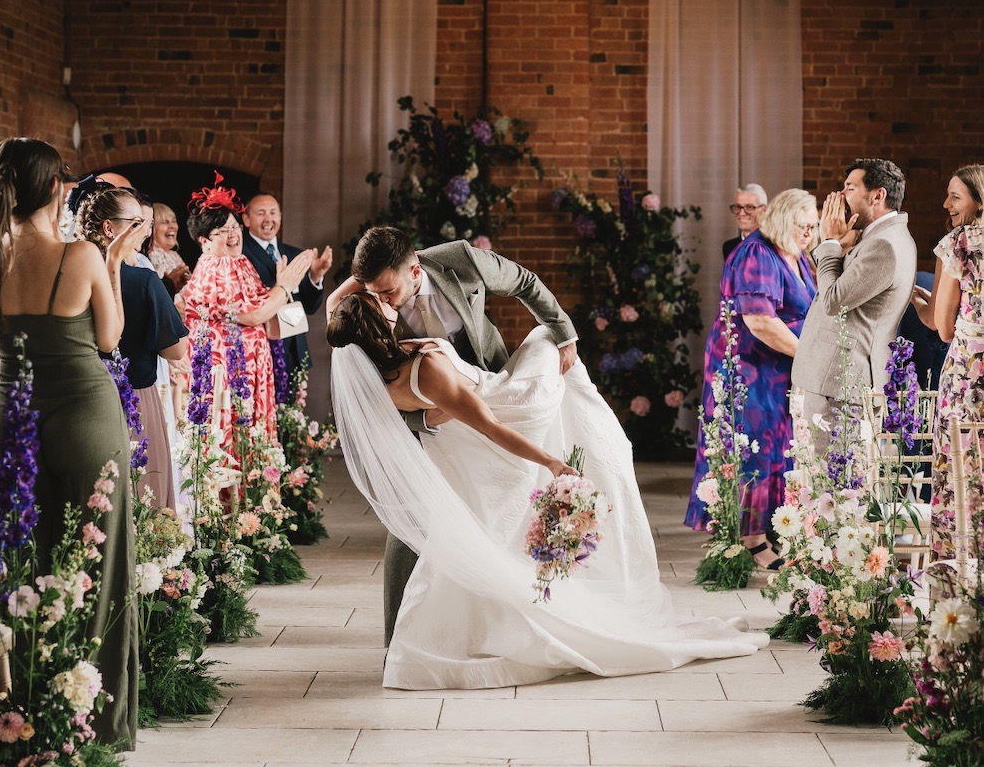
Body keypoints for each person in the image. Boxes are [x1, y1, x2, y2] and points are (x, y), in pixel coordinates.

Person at [327, 292, 767, 689]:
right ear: (377, 325)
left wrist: (431, 414)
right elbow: (491, 426)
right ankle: (598, 443)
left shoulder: (373, 373)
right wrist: (550, 462)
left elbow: (340, 307)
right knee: (546, 336)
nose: (385, 299)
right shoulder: (427, 368)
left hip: (454, 444)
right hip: (509, 408)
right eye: (378, 303)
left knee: (481, 531)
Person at [327, 225, 579, 646]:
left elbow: (525, 282)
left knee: (496, 503)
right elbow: (355, 350)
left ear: (414, 270)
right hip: (428, 414)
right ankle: (397, 641)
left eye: (388, 292)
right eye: (373, 293)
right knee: (410, 521)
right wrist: (426, 419)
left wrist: (564, 334)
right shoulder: (366, 308)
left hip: (484, 386)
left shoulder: (459, 260)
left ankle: (494, 618)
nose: (382, 301)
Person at [0, 137, 143, 749]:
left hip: (14, 420)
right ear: (58, 190)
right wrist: (112, 264)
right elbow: (109, 339)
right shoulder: (80, 255)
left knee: (23, 562)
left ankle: (22, 712)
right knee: (97, 564)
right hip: (85, 415)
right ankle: (95, 723)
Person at [685, 189, 818, 566]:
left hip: (778, 369)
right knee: (752, 450)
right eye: (803, 225)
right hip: (748, 370)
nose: (809, 233)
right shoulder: (757, 253)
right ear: (782, 220)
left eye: (813, 227)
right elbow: (760, 321)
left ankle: (769, 529)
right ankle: (751, 539)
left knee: (777, 448)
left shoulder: (795, 252)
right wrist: (810, 358)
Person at [75, 186, 189, 511]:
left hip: (82, 399)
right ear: (109, 228)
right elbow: (176, 351)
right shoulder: (143, 281)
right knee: (143, 497)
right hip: (136, 399)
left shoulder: (72, 277)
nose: (145, 231)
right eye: (136, 223)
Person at [179, 174, 314, 445]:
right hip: (228, 370)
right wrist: (284, 286)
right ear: (204, 240)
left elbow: (266, 313)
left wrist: (284, 291)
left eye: (235, 227)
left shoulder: (239, 261)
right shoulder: (217, 265)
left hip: (250, 365)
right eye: (222, 231)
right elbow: (252, 314)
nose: (233, 235)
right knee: (232, 439)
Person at [791, 158, 917, 438]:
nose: (840, 195)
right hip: (830, 381)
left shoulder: (884, 245)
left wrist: (829, 243)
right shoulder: (878, 237)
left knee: (828, 467)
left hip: (838, 384)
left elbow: (833, 301)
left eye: (850, 188)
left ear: (878, 195)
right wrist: (839, 243)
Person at [923, 164, 984, 560]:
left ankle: (957, 573)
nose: (946, 204)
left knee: (959, 470)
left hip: (967, 375)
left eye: (955, 196)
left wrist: (918, 304)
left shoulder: (959, 244)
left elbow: (943, 327)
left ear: (980, 201)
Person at [240, 193, 332, 390]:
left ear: (280, 216)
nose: (268, 219)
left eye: (273, 213)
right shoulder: (241, 255)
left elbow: (310, 306)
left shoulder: (293, 254)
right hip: (263, 347)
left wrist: (315, 276)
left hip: (295, 350)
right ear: (246, 219)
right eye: (261, 213)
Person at [148, 202, 192, 295]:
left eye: (174, 221)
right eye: (164, 222)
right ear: (152, 228)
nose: (172, 226)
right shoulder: (154, 255)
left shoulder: (173, 254)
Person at [723, 183, 768, 260]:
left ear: (764, 210)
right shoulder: (729, 247)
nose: (741, 213)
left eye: (749, 207)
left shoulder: (774, 245)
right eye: (737, 207)